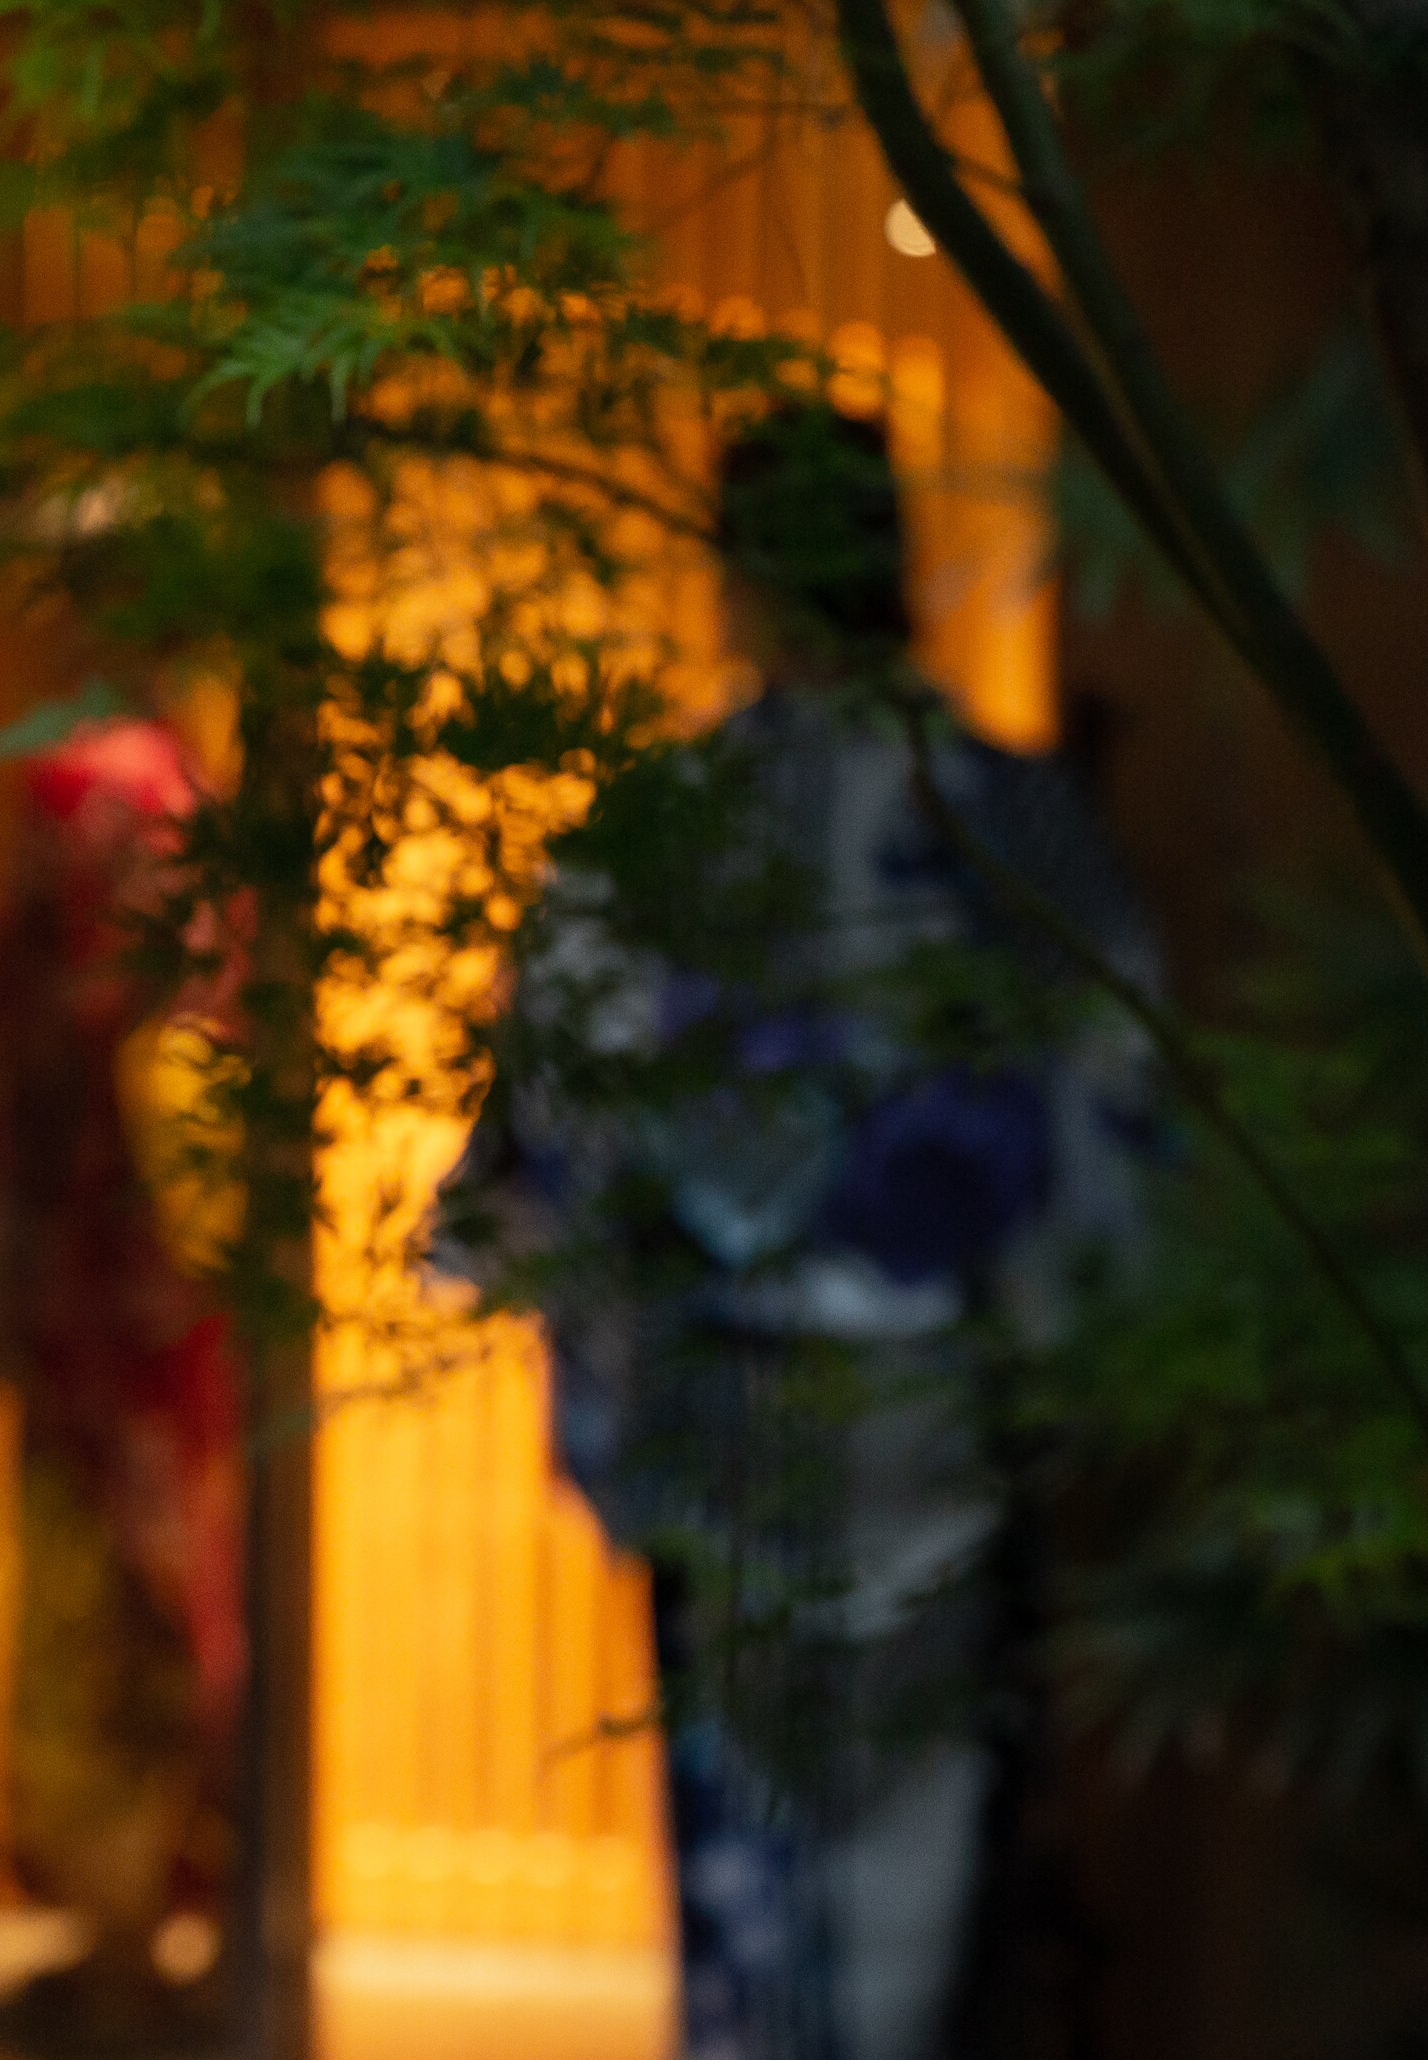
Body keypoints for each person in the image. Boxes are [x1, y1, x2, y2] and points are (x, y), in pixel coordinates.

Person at [453, 402, 1153, 2060]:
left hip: (729, 1408)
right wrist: (1053, 1348)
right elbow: (1113, 1101)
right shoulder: (1014, 822)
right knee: (934, 1850)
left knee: (752, 1865)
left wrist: (638, 1318)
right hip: (946, 1397)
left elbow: (565, 1136)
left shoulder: (657, 833)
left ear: (737, 581)